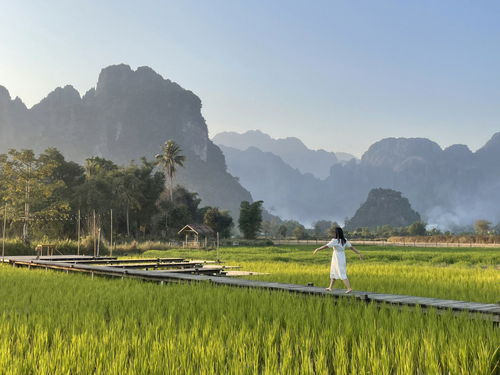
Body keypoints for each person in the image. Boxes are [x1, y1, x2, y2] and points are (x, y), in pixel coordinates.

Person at [313, 227, 363, 293]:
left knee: (341, 273)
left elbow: (326, 246)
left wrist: (318, 249)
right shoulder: (345, 240)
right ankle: (330, 287)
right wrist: (358, 253)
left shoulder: (335, 241)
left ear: (336, 233)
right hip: (341, 257)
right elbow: (352, 247)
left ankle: (349, 288)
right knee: (334, 272)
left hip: (337, 258)